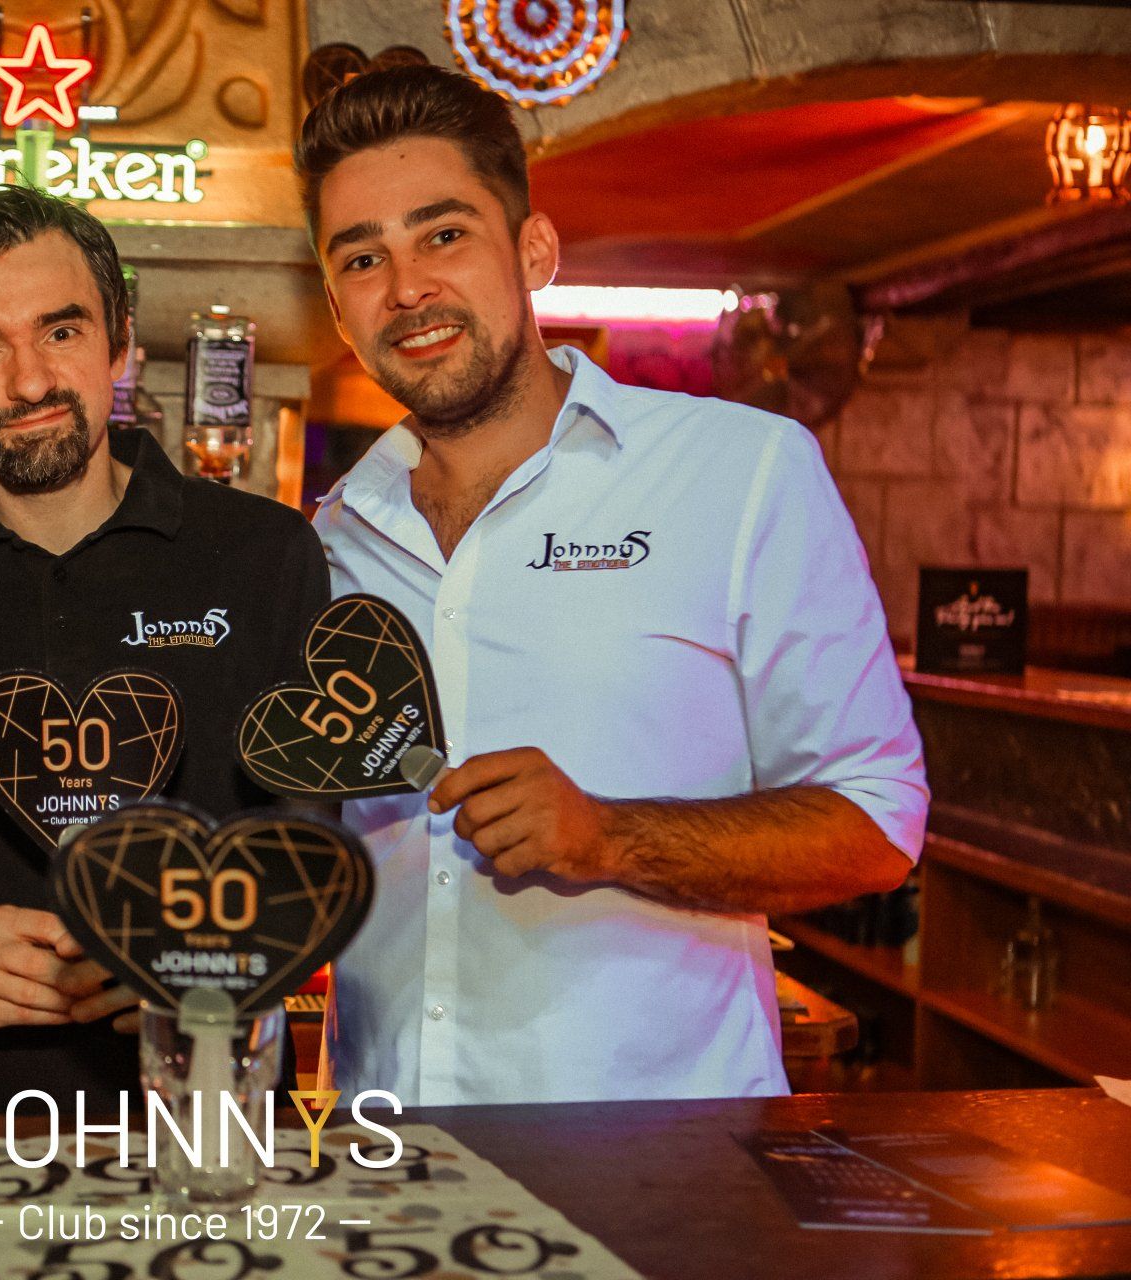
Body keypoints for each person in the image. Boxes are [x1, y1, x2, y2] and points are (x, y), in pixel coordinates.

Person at [295, 66, 929, 1105]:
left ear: (533, 251)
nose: (406, 288)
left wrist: (609, 833)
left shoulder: (741, 471)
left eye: (444, 234)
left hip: (664, 1154)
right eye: (363, 258)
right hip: (389, 1147)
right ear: (337, 308)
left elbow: (878, 822)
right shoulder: (327, 544)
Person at [0, 184, 331, 1112]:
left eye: (61, 330)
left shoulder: (265, 555)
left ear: (119, 341)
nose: (30, 382)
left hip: (206, 1125)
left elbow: (317, 857)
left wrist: (208, 961)